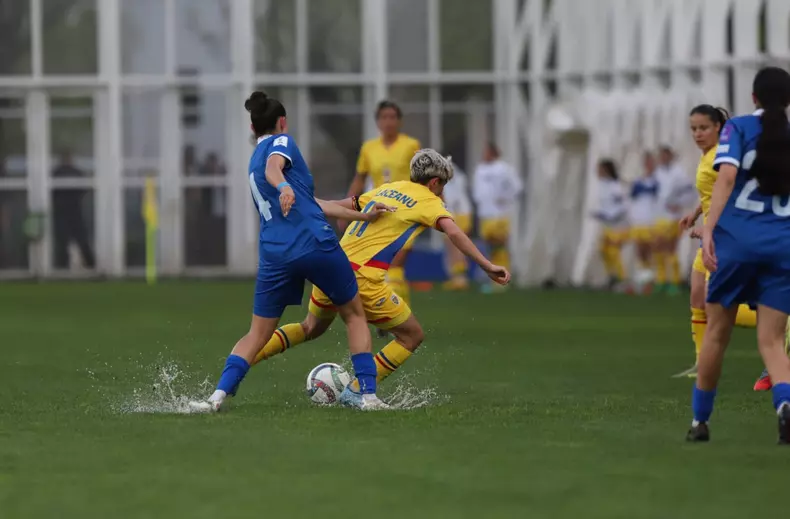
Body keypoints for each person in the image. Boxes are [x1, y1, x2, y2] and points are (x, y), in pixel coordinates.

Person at [189, 91, 393, 413]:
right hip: (314, 243)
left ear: (254, 127)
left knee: (257, 333)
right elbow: (276, 169)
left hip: (275, 253)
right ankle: (368, 396)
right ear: (281, 122)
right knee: (354, 314)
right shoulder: (280, 144)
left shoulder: (252, 161)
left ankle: (215, 398)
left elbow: (313, 204)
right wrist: (283, 185)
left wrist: (362, 215)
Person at [249, 149, 510, 400]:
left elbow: (340, 204)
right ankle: (356, 390)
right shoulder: (430, 201)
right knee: (412, 336)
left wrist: (303, 201)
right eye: (442, 186)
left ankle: (246, 357)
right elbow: (453, 232)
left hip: (330, 265)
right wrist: (487, 265)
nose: (442, 193)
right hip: (362, 279)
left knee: (310, 327)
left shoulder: (389, 188)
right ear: (434, 182)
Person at [686, 67, 790, 443]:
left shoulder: (739, 128)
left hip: (738, 242)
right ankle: (785, 404)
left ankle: (700, 422)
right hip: (782, 244)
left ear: (754, 98)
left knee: (716, 333)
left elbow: (726, 178)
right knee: (772, 341)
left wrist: (709, 229)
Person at [675, 105, 758, 379]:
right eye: (694, 129)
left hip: (722, 236)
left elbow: (731, 194)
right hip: (712, 235)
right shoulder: (709, 155)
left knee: (719, 304)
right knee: (697, 298)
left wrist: (709, 228)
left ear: (718, 128)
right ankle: (702, 362)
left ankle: (779, 319)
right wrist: (695, 213)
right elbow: (712, 191)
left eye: (703, 128)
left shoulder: (719, 157)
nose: (697, 134)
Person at [346, 100, 421, 313]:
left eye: (392, 117)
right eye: (384, 117)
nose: (388, 122)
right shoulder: (369, 148)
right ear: (378, 122)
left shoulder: (411, 145)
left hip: (407, 212)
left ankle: (398, 316)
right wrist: (348, 208)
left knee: (396, 265)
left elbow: (424, 175)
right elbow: (359, 178)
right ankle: (387, 313)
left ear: (399, 121)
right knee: (378, 268)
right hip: (378, 213)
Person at [472, 142, 523, 293]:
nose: (484, 154)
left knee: (499, 246)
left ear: (493, 152)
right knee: (489, 247)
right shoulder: (480, 169)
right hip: (485, 214)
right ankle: (494, 278)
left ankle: (502, 279)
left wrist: (505, 198)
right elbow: (478, 191)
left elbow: (517, 187)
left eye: (487, 151)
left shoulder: (504, 168)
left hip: (499, 214)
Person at [653, 146, 695, 295]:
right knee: (658, 246)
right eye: (661, 156)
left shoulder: (679, 173)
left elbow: (690, 191)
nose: (663, 158)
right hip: (659, 216)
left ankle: (674, 281)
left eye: (665, 155)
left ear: (670, 156)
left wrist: (679, 204)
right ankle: (661, 279)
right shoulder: (657, 172)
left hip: (672, 218)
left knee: (671, 248)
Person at [52, 150, 95, 269]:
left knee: (66, 242)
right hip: (72, 211)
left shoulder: (57, 173)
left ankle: (62, 267)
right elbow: (83, 190)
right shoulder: (75, 172)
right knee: (78, 240)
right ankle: (90, 265)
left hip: (66, 211)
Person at [591, 159, 627, 290]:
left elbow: (622, 206)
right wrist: (598, 213)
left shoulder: (615, 186)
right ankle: (611, 276)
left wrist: (611, 215)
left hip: (616, 224)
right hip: (606, 224)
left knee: (614, 251)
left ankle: (621, 278)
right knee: (604, 251)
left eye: (600, 169)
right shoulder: (601, 185)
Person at [441, 157, 473, 290]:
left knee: (454, 247)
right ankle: (458, 278)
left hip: (454, 213)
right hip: (463, 212)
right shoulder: (458, 173)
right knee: (457, 246)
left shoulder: (441, 172)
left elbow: (448, 195)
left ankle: (459, 279)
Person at [628, 153, 659, 292]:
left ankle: (651, 281)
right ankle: (643, 280)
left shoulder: (657, 180)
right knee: (640, 251)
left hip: (651, 220)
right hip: (639, 220)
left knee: (649, 251)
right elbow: (632, 197)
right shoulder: (639, 181)